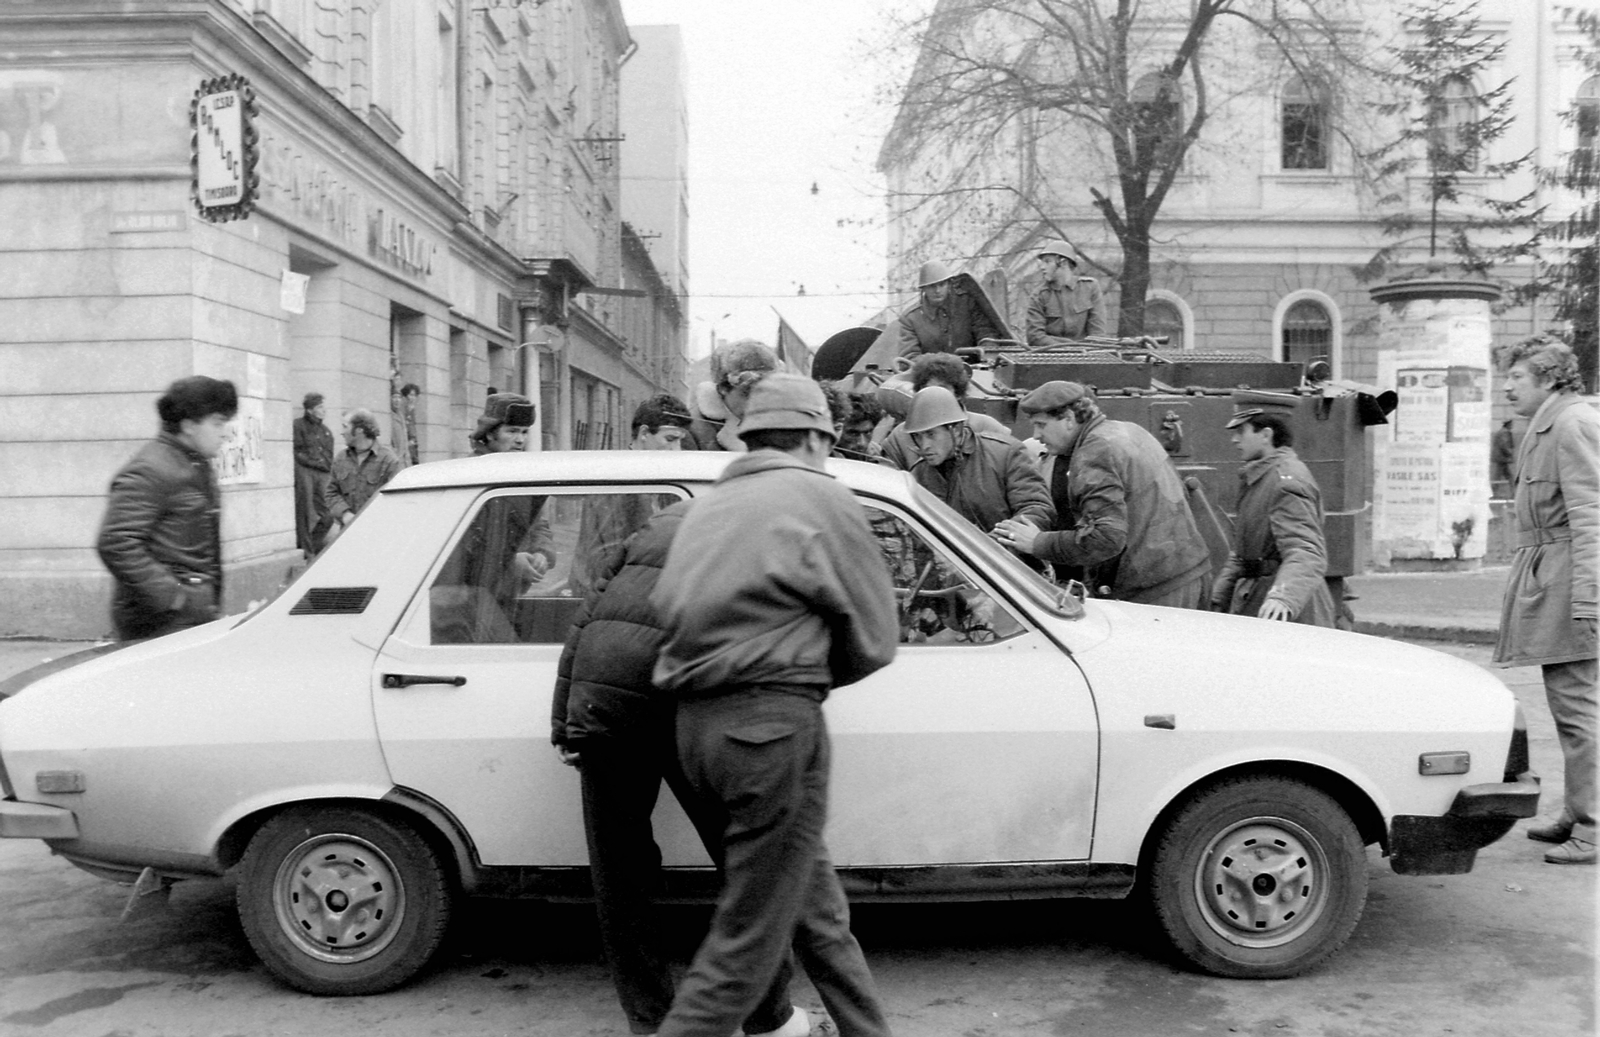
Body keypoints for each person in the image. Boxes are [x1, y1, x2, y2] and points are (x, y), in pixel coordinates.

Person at [650, 373, 899, 1037]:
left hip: (696, 731)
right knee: (745, 945)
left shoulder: (708, 504)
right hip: (773, 728)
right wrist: (800, 674)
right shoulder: (821, 494)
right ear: (820, 435)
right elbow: (876, 639)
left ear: (750, 436)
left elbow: (667, 610)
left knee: (816, 909)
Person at [552, 500, 808, 1037]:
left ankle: (650, 1021)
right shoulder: (758, 538)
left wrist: (565, 721)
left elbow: (585, 622)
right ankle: (770, 1019)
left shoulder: (657, 525)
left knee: (621, 880)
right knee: (746, 862)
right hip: (675, 702)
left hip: (601, 703)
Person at [1493, 335, 1598, 866]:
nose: (1506, 385)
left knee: (1580, 714)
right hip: (1550, 577)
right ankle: (1578, 810)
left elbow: (1591, 517)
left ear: (1550, 379)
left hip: (1569, 585)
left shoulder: (1574, 422)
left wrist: (1590, 601)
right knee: (1568, 709)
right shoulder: (1546, 423)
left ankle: (1593, 827)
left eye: (1517, 377)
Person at [994, 381, 1211, 607]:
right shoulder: (1127, 430)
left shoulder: (1095, 451)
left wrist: (1038, 543)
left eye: (1041, 425)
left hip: (1156, 592)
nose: (1036, 435)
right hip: (1187, 573)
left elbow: (1106, 539)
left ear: (1069, 418)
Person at [96, 375, 237, 640]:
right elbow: (116, 542)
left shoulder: (194, 463)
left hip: (187, 617)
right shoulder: (151, 469)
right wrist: (175, 598)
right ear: (189, 425)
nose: (226, 432)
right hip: (158, 623)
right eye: (218, 422)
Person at [1209, 395, 1337, 626]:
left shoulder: (1285, 480)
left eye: (1241, 431)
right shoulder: (1261, 477)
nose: (1234, 440)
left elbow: (1305, 550)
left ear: (1266, 435)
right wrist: (1217, 597)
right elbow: (1243, 553)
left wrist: (1283, 598)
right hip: (1260, 597)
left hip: (1287, 612)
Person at [568, 394, 694, 601]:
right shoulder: (617, 482)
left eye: (680, 441)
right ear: (644, 433)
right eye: (670, 440)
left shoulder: (664, 481)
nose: (676, 450)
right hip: (608, 600)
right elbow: (606, 559)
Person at [899, 385, 1054, 539]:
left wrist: (994, 543)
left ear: (956, 430)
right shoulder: (919, 474)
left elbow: (1036, 509)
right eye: (918, 436)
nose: (924, 445)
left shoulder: (1004, 454)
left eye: (931, 434)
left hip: (1006, 559)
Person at [878, 352, 1013, 471]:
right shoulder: (900, 437)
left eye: (943, 389)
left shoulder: (987, 428)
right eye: (927, 389)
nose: (934, 395)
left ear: (958, 393)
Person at [688, 339, 782, 451]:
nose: (759, 402)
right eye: (747, 394)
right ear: (723, 389)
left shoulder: (784, 426)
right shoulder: (691, 430)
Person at [896, 260, 1001, 359]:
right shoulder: (911, 319)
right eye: (932, 286)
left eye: (941, 285)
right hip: (932, 374)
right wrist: (939, 365)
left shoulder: (968, 303)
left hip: (973, 371)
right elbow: (909, 357)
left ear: (949, 284)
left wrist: (987, 353)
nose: (937, 290)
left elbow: (985, 332)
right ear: (924, 288)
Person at [325, 408, 404, 537]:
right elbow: (330, 492)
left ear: (359, 430)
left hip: (378, 535)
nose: (342, 432)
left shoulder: (389, 461)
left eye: (345, 426)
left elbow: (398, 501)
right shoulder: (341, 458)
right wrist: (345, 514)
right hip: (347, 534)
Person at [1025, 239, 1107, 349]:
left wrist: (1085, 351)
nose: (1042, 267)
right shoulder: (1039, 295)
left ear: (1063, 263)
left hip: (1086, 357)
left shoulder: (1090, 287)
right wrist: (1070, 348)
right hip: (1051, 358)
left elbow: (1098, 334)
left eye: (1047, 262)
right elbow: (1035, 337)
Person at [292, 392, 336, 557]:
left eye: (323, 407)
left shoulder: (326, 431)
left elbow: (329, 454)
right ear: (310, 410)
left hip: (323, 473)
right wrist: (313, 463)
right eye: (319, 407)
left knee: (329, 514)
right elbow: (297, 451)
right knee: (304, 511)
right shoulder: (298, 426)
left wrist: (325, 467)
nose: (324, 410)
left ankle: (312, 544)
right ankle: (306, 550)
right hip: (305, 471)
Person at [400, 382, 421, 465]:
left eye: (414, 395)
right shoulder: (403, 408)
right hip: (407, 441)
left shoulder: (414, 409)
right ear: (406, 396)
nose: (413, 398)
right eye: (410, 395)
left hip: (414, 441)